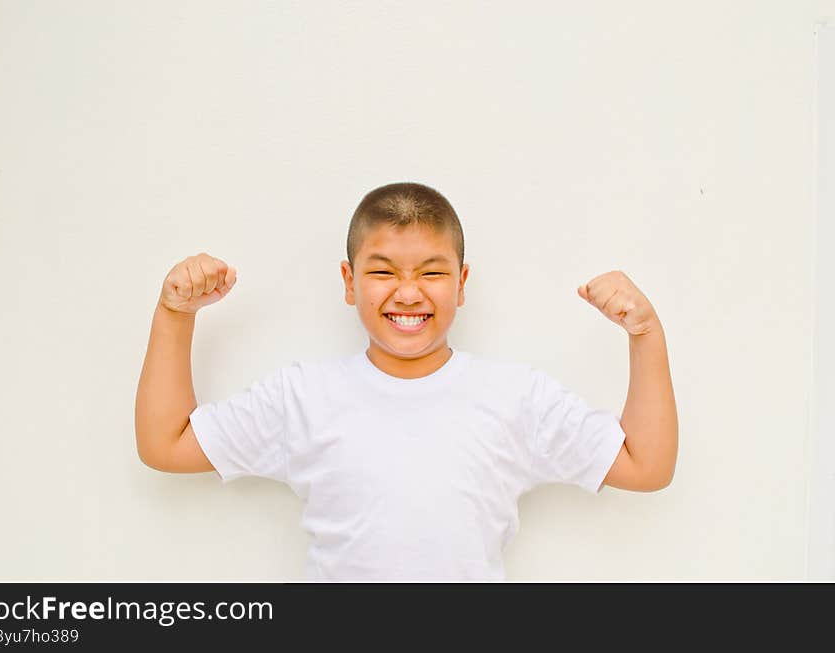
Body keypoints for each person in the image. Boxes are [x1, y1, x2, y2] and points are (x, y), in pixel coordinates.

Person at [134, 181, 678, 581]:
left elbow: (645, 466)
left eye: (432, 272)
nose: (409, 292)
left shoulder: (516, 398)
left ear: (462, 284)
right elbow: (166, 444)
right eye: (383, 271)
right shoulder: (302, 397)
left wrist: (645, 335)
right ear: (349, 282)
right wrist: (175, 314)